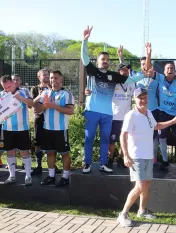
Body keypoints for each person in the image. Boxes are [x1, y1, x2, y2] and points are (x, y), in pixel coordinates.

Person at [116, 87, 176, 227]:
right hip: (136, 156)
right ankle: (123, 214)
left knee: (146, 184)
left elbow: (156, 126)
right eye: (140, 97)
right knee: (140, 186)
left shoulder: (149, 113)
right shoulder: (131, 115)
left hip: (148, 156)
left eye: (145, 97)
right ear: (135, 99)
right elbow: (123, 135)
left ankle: (142, 210)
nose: (143, 100)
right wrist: (126, 155)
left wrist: (173, 121)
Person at [81, 26, 128, 174]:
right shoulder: (92, 71)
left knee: (105, 140)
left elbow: (130, 78)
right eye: (103, 59)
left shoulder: (114, 76)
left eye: (107, 59)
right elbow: (84, 56)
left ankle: (103, 164)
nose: (105, 61)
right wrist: (85, 40)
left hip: (108, 113)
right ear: (98, 61)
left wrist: (145, 75)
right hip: (92, 111)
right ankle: (87, 164)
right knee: (89, 139)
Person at [33, 70, 74, 187]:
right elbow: (37, 110)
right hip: (47, 129)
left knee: (65, 154)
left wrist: (53, 105)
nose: (53, 80)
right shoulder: (45, 92)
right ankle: (51, 176)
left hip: (61, 130)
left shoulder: (66, 93)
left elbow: (70, 111)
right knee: (50, 153)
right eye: (51, 78)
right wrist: (42, 104)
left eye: (56, 78)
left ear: (61, 79)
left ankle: (65, 177)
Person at [0, 75, 33, 186]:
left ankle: (28, 176)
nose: (7, 89)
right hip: (7, 129)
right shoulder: (2, 95)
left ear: (14, 83)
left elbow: (32, 104)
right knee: (10, 152)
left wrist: (21, 99)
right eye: (5, 87)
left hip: (22, 128)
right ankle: (12, 176)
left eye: (9, 86)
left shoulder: (24, 91)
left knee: (24, 152)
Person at [156, 62, 176, 169]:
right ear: (164, 71)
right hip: (163, 113)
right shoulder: (159, 78)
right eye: (167, 68)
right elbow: (148, 70)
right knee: (162, 137)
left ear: (175, 71)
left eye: (172, 68)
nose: (170, 70)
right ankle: (165, 160)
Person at [107, 62, 136, 169]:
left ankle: (121, 157)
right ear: (119, 71)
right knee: (112, 140)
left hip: (127, 117)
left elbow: (137, 95)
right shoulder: (113, 83)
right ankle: (110, 159)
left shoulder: (131, 83)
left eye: (127, 70)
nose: (125, 72)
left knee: (126, 139)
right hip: (114, 117)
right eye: (123, 70)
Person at [31, 69, 50, 175]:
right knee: (37, 142)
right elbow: (32, 104)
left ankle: (53, 165)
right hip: (39, 118)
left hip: (51, 119)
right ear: (39, 77)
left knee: (51, 143)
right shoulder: (35, 88)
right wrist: (39, 96)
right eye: (44, 75)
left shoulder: (53, 88)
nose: (47, 76)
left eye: (48, 74)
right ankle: (39, 166)